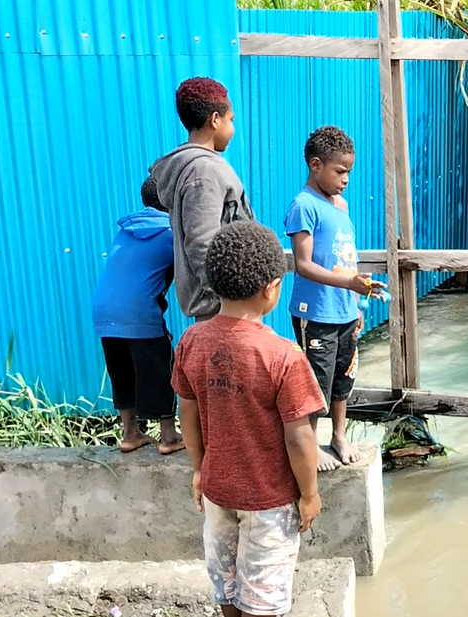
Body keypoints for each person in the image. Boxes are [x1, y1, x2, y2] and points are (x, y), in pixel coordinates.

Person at [173, 221, 323, 617]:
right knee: (262, 599)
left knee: (227, 587)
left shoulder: (191, 342)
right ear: (271, 288)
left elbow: (188, 413)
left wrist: (199, 469)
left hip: (217, 491)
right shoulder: (283, 356)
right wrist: (309, 494)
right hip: (269, 502)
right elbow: (299, 438)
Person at [285, 125, 385, 471]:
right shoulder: (303, 206)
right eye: (340, 171)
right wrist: (349, 284)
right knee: (316, 379)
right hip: (315, 311)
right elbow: (304, 265)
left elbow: (347, 258)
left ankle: (339, 436)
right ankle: (311, 444)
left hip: (344, 309)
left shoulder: (340, 205)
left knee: (344, 375)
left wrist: (357, 302)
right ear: (316, 165)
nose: (346, 180)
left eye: (349, 172)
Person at [91, 176, 184, 455]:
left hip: (104, 311)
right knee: (159, 368)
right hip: (139, 311)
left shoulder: (126, 230)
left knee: (122, 371)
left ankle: (130, 433)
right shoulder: (170, 233)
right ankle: (169, 436)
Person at [150, 76, 254, 322]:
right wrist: (229, 298)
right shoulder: (203, 171)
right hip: (223, 310)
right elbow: (202, 243)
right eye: (231, 120)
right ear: (215, 120)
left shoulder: (201, 167)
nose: (233, 129)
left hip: (227, 306)